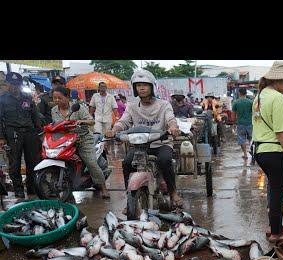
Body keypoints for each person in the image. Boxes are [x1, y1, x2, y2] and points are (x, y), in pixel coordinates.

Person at [107, 69, 184, 208]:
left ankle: (173, 193)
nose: (141, 88)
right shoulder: (131, 105)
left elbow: (170, 119)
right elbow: (123, 121)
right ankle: (129, 196)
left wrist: (173, 127)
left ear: (152, 87)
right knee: (126, 163)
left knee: (165, 161)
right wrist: (114, 130)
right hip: (140, 145)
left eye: (145, 85)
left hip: (161, 143)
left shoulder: (164, 104)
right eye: (138, 85)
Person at [251, 61, 283, 243]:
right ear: (278, 80)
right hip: (275, 150)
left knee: (273, 188)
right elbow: (281, 132)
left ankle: (273, 225)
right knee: (278, 193)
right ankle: (276, 233)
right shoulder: (278, 99)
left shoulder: (260, 96)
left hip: (261, 150)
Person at [51, 86, 110, 199]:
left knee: (91, 163)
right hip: (66, 141)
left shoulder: (78, 107)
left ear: (67, 97)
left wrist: (80, 121)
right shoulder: (54, 110)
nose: (57, 100)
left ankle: (103, 188)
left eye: (59, 98)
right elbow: (55, 125)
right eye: (55, 98)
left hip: (83, 139)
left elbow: (91, 121)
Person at [0, 72, 42, 198]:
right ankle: (18, 188)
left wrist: (40, 132)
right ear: (7, 84)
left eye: (17, 84)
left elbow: (35, 115)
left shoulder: (27, 97)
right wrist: (1, 138)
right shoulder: (2, 100)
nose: (15, 87)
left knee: (32, 162)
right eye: (12, 84)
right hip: (13, 134)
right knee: (14, 163)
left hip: (30, 133)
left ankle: (31, 187)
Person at [232, 87, 254, 160]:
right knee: (251, 139)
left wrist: (234, 124)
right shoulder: (251, 102)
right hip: (250, 123)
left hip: (240, 124)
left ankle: (245, 154)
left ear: (239, 93)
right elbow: (255, 113)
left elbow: (233, 115)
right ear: (246, 93)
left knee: (242, 139)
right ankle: (253, 152)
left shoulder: (236, 102)